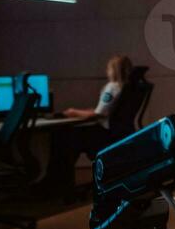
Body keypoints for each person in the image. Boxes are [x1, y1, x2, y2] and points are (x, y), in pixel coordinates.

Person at [47, 54, 134, 197]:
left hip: (103, 135)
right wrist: (88, 111)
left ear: (113, 70)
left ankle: (58, 185)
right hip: (115, 134)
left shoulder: (112, 87)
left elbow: (98, 114)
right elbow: (104, 111)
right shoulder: (126, 88)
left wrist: (73, 112)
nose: (106, 71)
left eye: (108, 68)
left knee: (62, 138)